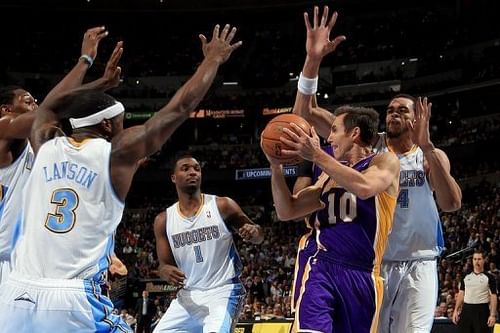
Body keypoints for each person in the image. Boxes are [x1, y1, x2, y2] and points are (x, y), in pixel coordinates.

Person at [0, 23, 242, 332]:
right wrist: (212, 61)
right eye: (120, 121)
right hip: (72, 299)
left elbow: (51, 106)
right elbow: (179, 107)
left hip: (15, 294)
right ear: (105, 126)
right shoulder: (115, 155)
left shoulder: (44, 140)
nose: (123, 128)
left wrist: (96, 77)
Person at [290, 6, 463, 332]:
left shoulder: (430, 155)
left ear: (417, 119)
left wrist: (427, 147)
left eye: (402, 110)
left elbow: (452, 203)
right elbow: (305, 111)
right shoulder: (369, 146)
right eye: (390, 109)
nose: (393, 113)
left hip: (420, 263)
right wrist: (312, 60)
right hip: (375, 265)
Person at [264, 92, 400, 333]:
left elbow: (365, 187)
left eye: (335, 130)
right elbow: (287, 211)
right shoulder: (327, 177)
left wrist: (316, 155)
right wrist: (276, 167)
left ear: (354, 133)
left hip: (363, 275)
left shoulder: (383, 162)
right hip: (322, 266)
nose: (330, 138)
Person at [0, 26, 110, 285]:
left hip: (30, 259)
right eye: (28, 101)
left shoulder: (41, 144)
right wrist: (86, 63)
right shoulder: (3, 125)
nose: (36, 105)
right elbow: (51, 109)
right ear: (6, 108)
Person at [152, 154, 264, 333]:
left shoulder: (222, 205)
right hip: (188, 296)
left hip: (223, 291)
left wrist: (253, 232)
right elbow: (164, 266)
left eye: (197, 169)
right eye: (185, 168)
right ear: (173, 178)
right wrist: (165, 271)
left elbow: (259, 236)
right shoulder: (163, 220)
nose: (192, 172)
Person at [453, 250, 497, 333]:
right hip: (466, 310)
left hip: (482, 310)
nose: (477, 261)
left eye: (479, 259)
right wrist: (456, 310)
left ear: (483, 260)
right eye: (475, 259)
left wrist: (492, 315)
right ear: (472, 260)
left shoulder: (490, 277)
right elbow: (461, 293)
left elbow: (493, 296)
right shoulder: (465, 276)